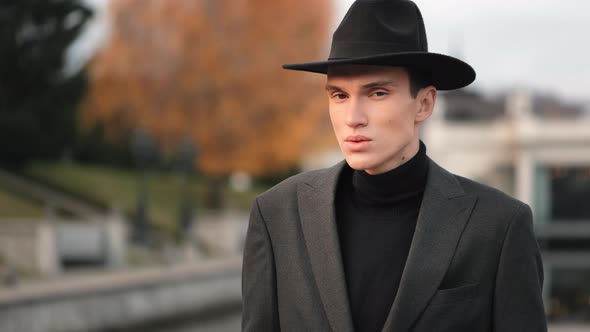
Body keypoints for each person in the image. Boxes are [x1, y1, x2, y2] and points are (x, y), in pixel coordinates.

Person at [241, 0, 547, 331]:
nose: (353, 119)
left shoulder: (498, 226)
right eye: (339, 96)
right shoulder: (277, 216)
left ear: (425, 103)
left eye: (377, 93)